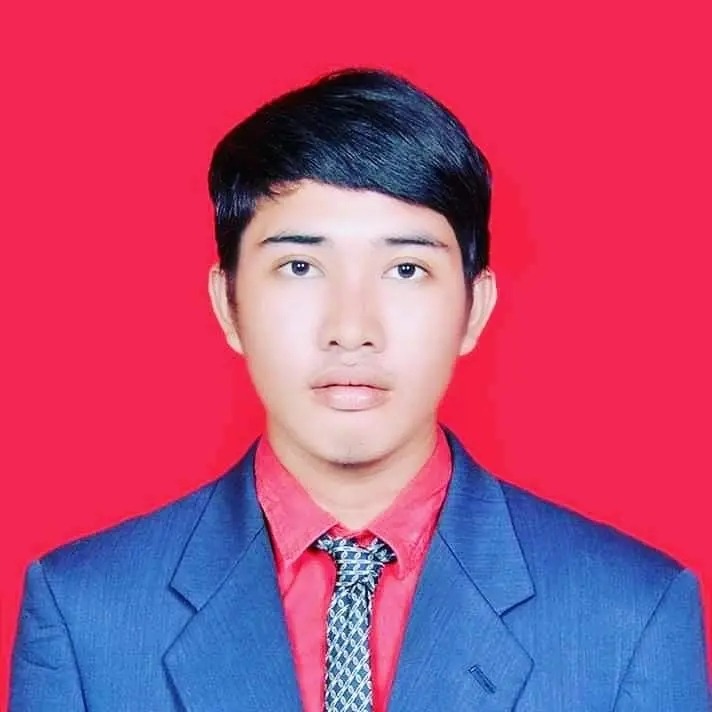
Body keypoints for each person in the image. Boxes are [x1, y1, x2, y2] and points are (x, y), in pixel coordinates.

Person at [9, 68, 710, 712]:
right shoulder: (85, 614)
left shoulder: (631, 617)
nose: (351, 329)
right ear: (228, 305)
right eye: (299, 267)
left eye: (406, 269)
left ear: (475, 308)